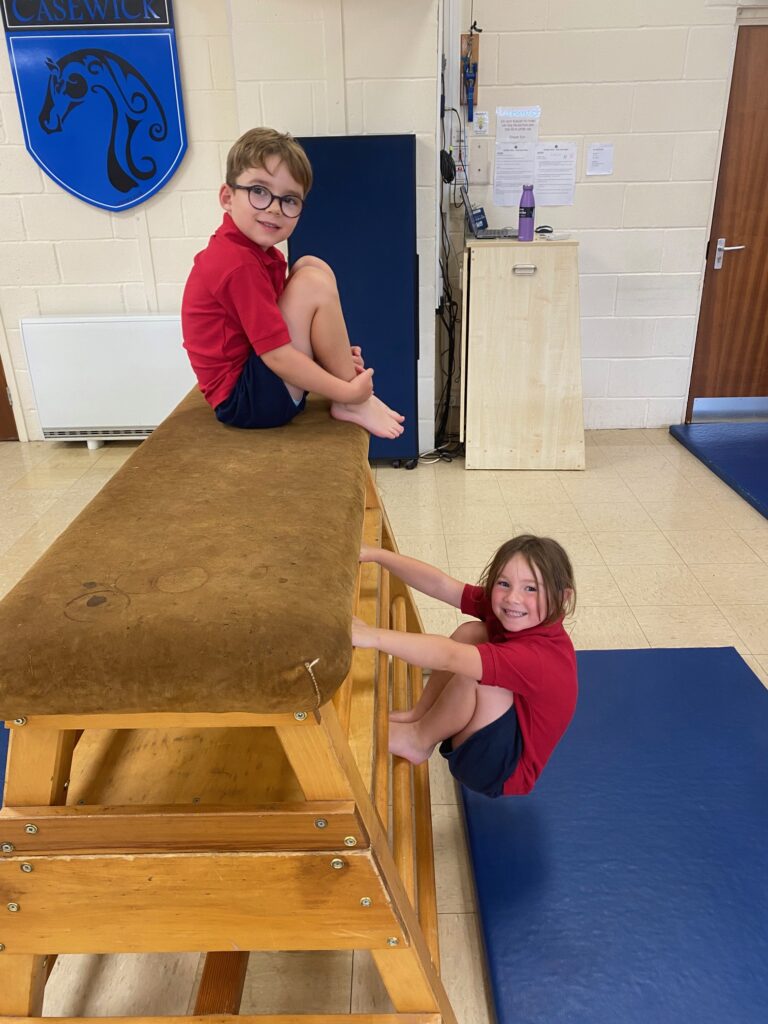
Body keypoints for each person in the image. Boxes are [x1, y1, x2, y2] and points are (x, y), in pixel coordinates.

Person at [181, 127, 405, 439]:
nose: (274, 207)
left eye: (289, 199)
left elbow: (276, 328)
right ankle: (352, 402)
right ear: (227, 198)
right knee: (311, 281)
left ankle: (349, 390)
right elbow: (277, 355)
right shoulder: (236, 263)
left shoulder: (256, 254)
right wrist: (344, 389)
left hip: (256, 379)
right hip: (245, 402)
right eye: (259, 191)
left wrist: (332, 353)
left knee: (310, 265)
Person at [351, 535, 577, 798]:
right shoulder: (507, 609)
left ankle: (418, 739)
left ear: (563, 597)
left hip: (503, 771)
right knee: (472, 632)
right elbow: (440, 584)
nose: (513, 598)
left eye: (531, 589)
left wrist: (373, 637)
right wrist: (377, 555)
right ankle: (421, 714)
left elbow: (450, 657)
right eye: (504, 583)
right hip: (503, 732)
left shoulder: (537, 658)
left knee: (479, 674)